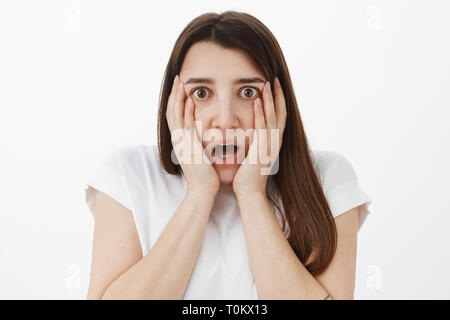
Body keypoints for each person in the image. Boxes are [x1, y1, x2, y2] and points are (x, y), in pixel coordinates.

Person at [84, 11, 372, 300]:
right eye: (201, 93)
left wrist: (251, 193)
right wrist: (199, 192)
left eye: (247, 92)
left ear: (279, 100)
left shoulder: (328, 177)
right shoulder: (128, 175)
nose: (224, 120)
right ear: (173, 103)